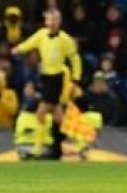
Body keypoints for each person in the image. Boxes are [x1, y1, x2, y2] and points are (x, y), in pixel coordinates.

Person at [12, 9, 81, 157]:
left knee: (41, 112)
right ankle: (81, 143)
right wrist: (18, 49)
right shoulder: (42, 34)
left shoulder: (65, 39)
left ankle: (38, 147)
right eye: (50, 19)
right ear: (46, 21)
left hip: (57, 78)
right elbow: (29, 43)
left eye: (55, 19)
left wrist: (76, 78)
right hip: (46, 77)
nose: (52, 22)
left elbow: (75, 58)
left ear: (59, 21)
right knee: (58, 116)